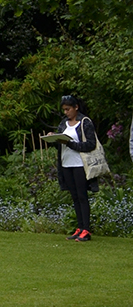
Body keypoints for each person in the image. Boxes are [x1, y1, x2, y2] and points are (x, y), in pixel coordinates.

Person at [48, 95, 100, 242]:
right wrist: (53, 138)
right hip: (66, 164)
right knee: (75, 197)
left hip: (80, 165)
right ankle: (80, 227)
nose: (66, 112)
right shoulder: (64, 123)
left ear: (76, 107)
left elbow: (91, 144)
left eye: (68, 109)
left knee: (82, 196)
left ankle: (86, 230)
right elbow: (60, 142)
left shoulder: (85, 122)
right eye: (64, 110)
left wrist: (71, 144)